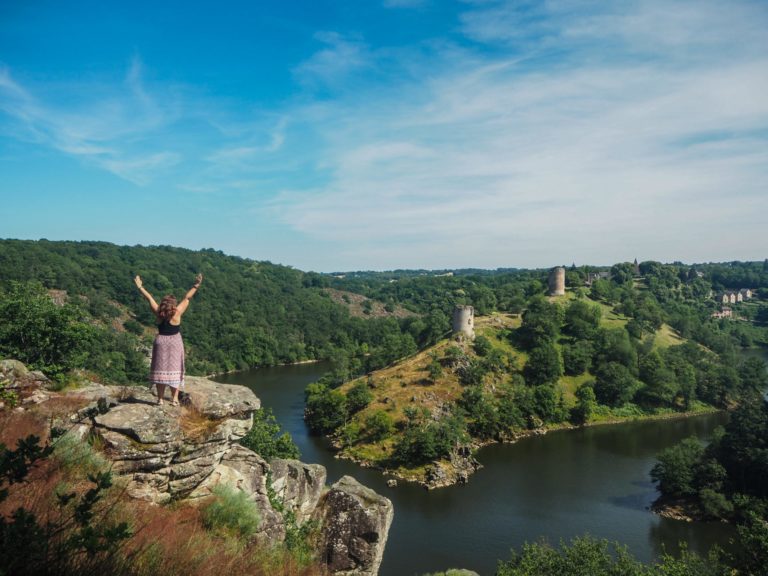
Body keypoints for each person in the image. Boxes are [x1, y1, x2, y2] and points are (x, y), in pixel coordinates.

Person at [134, 273, 203, 406]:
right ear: (173, 304)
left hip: (161, 342)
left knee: (160, 371)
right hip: (174, 342)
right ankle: (174, 399)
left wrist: (140, 287)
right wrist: (196, 285)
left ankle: (160, 399)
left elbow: (149, 298)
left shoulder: (158, 312)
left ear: (163, 304)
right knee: (175, 371)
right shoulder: (177, 313)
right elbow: (187, 298)